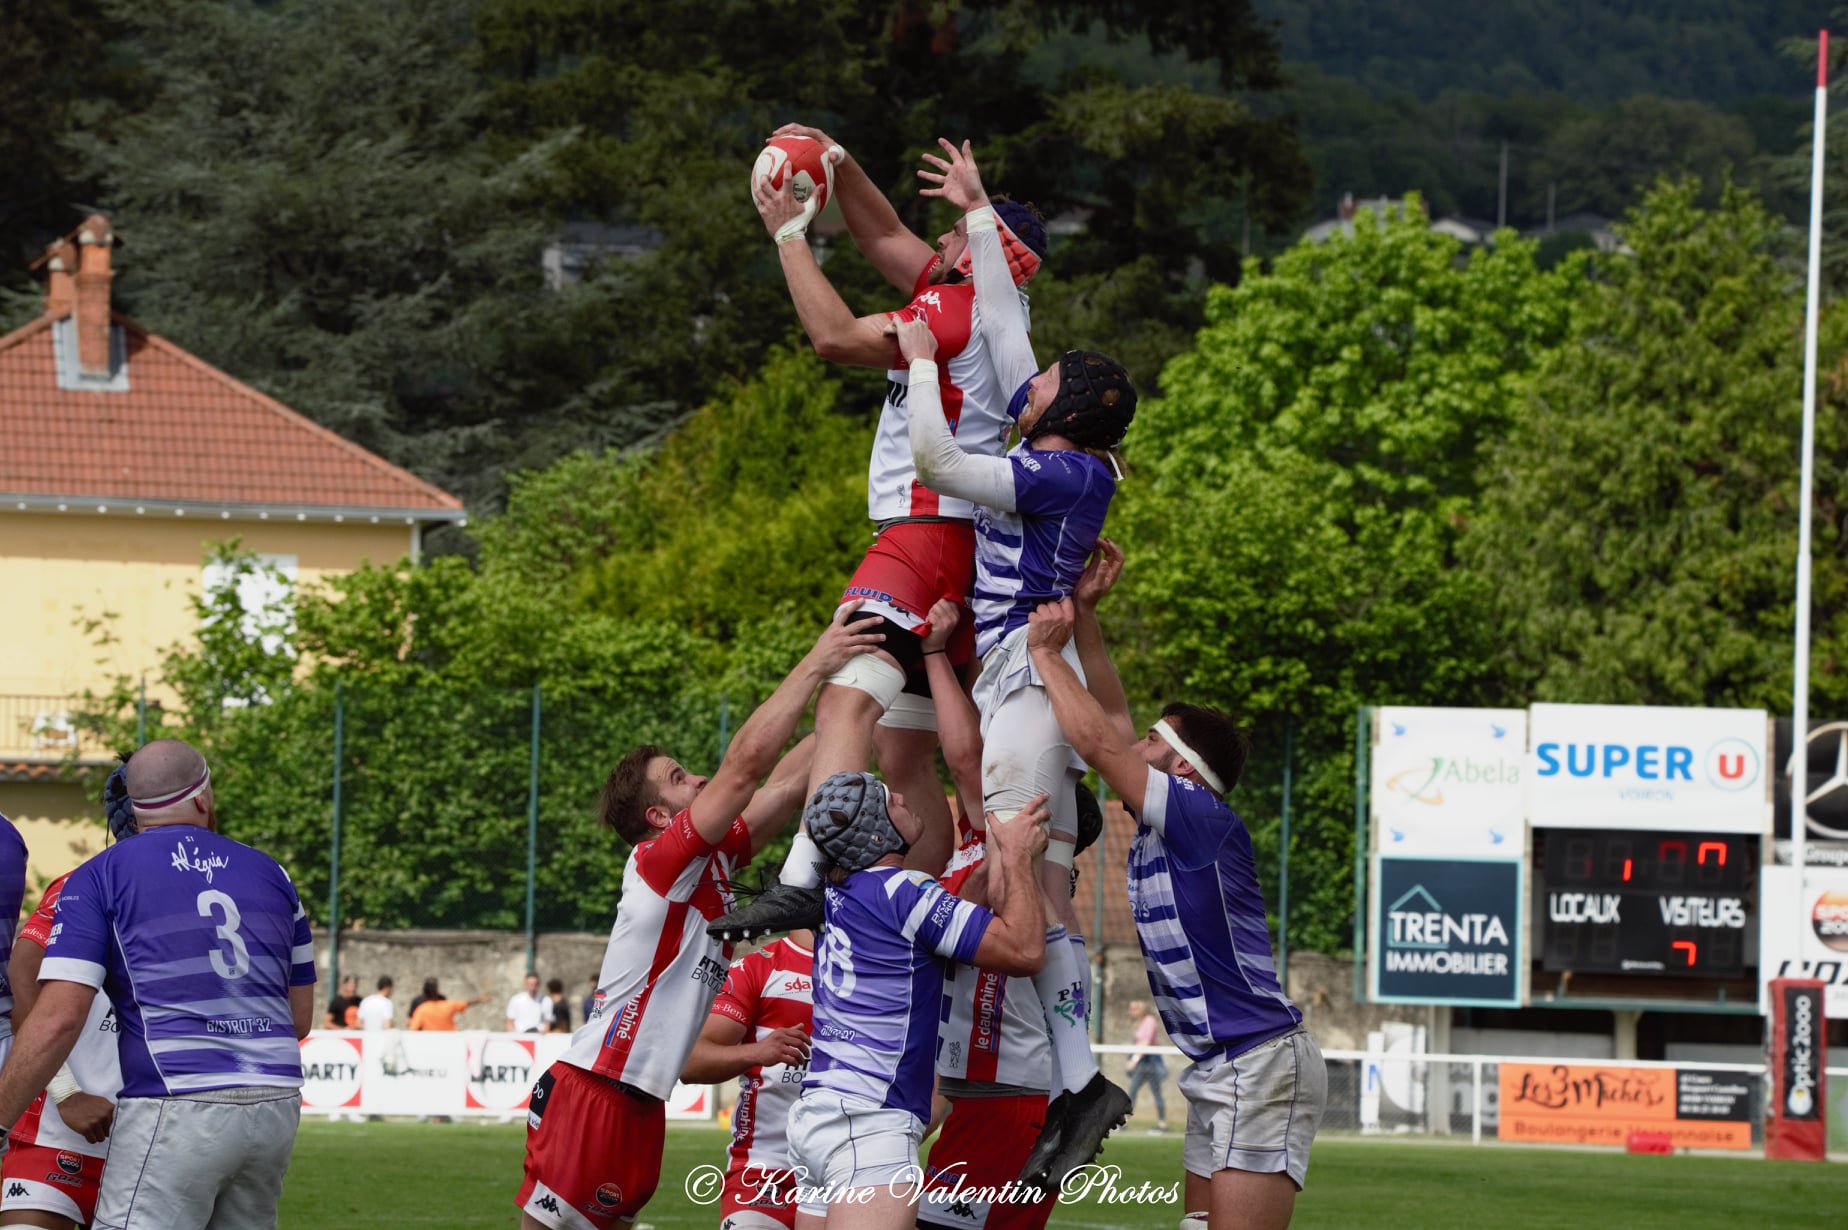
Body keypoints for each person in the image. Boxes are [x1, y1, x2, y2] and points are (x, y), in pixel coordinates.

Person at [710, 124, 1054, 941]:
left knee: (843, 699)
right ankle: (924, 902)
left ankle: (806, 876)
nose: (937, 234)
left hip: (923, 533)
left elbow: (832, 336)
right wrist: (836, 158)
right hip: (962, 541)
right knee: (905, 758)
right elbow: (882, 231)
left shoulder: (952, 307)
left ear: (986, 253)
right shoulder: (989, 305)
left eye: (960, 229)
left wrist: (789, 233)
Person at [908, 138, 1139, 1185]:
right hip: (1029, 683)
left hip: (1027, 685)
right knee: (1034, 879)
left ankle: (1077, 1080)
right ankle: (1078, 1083)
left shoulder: (1053, 471)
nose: (1032, 374)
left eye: (1048, 380)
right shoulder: (1063, 454)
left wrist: (917, 360)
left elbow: (938, 462)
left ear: (1066, 413)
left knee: (1021, 878)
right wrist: (980, 207)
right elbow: (1005, 323)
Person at [517, 606, 883, 1230]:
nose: (701, 778)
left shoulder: (707, 863)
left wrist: (861, 695)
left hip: (640, 1102)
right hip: (597, 1087)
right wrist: (818, 659)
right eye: (681, 779)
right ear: (661, 818)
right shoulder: (660, 860)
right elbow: (744, 770)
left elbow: (787, 786)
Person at [1025, 568, 1326, 1230]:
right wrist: (1088, 616)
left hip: (1259, 1061)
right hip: (1227, 1063)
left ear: (1184, 768)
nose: (1139, 746)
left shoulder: (1197, 814)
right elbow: (1112, 719)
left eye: (1156, 742)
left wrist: (1046, 653)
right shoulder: (1176, 819)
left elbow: (1101, 742)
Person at [0, 738, 316, 1230]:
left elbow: (59, 1015)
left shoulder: (98, 875)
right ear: (205, 797)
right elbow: (298, 1019)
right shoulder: (272, 872)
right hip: (275, 1101)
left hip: (175, 1099)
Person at [786, 773, 1052, 1230]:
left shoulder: (831, 894)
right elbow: (1025, 951)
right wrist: (1017, 856)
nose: (904, 796)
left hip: (817, 1117)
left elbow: (943, 927)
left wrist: (989, 865)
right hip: (869, 1126)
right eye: (891, 800)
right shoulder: (903, 890)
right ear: (876, 829)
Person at [0, 775, 132, 1230]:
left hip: (151, 1134)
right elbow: (19, 972)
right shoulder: (83, 882)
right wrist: (65, 1091)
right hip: (55, 1130)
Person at [681, 929, 814, 1230]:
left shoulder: (878, 966)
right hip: (763, 1174)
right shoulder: (758, 967)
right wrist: (758, 1052)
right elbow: (691, 1062)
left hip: (846, 1175)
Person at [1126, 1000, 1169, 1132]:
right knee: (1133, 1092)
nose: (1130, 1012)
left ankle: (1162, 1124)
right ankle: (1124, 1122)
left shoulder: (1149, 1021)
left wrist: (1134, 1060)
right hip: (1143, 1061)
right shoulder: (1140, 1022)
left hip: (1149, 1062)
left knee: (1154, 1093)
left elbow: (1146, 1042)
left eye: (1133, 1009)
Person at [408, 984, 491, 1031]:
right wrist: (479, 1000)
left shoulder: (422, 1009)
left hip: (432, 1043)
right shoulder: (447, 1005)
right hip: (450, 1041)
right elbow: (466, 1003)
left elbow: (413, 1028)